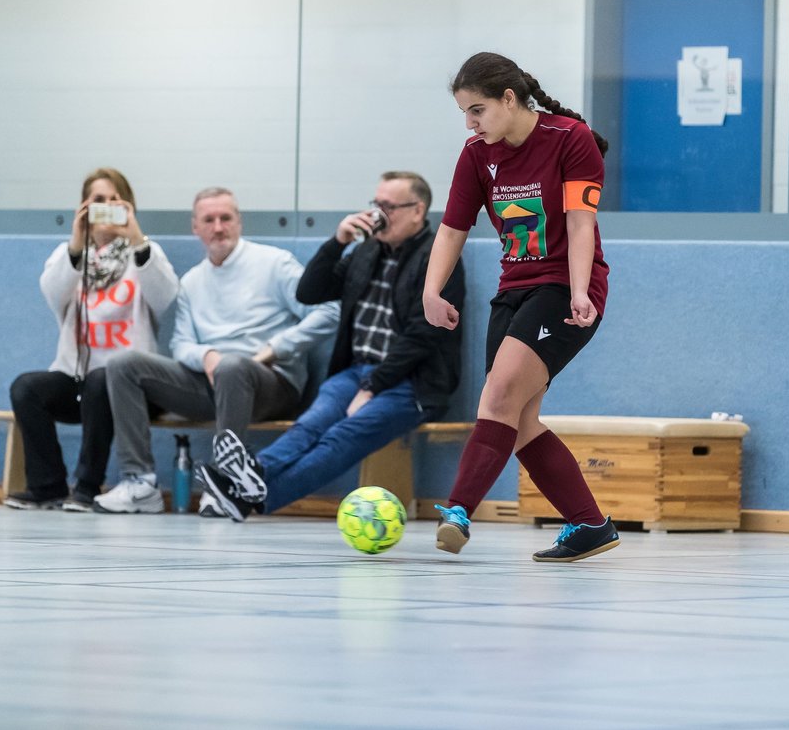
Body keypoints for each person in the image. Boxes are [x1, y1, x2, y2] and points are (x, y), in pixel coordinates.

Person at [422, 51, 619, 563]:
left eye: (478, 110)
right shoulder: (476, 155)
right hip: (514, 291)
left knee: (498, 398)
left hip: (565, 287)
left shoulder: (569, 140)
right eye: (465, 113)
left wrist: (579, 290)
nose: (470, 123)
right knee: (518, 418)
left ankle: (458, 512)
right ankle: (588, 524)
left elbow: (580, 222)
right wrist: (430, 290)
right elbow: (452, 229)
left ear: (509, 99)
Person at [194, 172, 465, 521]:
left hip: (412, 384)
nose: (378, 214)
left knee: (341, 436)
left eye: (389, 207)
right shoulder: (367, 251)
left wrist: (373, 386)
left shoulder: (439, 259)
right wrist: (338, 241)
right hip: (355, 372)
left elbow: (423, 335)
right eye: (375, 205)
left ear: (418, 211)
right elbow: (308, 292)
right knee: (310, 426)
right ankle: (252, 477)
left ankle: (251, 495)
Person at [93, 187, 338, 514]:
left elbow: (329, 312)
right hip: (210, 381)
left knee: (232, 367)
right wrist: (206, 356)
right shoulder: (192, 282)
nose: (218, 227)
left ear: (239, 222)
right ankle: (140, 482)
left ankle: (226, 484)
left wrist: (274, 349)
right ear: (196, 227)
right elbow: (181, 344)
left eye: (226, 218)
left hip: (271, 384)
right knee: (124, 364)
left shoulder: (275, 263)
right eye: (209, 220)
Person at [4, 168, 177, 511]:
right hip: (78, 379)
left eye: (116, 200)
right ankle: (48, 486)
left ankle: (85, 487)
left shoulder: (145, 253)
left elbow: (165, 295)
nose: (107, 207)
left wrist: (137, 239)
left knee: (103, 377)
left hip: (133, 386)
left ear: (129, 207)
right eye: (99, 201)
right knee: (25, 387)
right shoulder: (68, 255)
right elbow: (53, 293)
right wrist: (76, 243)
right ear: (84, 207)